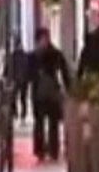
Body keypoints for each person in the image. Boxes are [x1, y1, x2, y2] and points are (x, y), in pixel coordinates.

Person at [29, 28, 71, 162]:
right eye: (42, 39)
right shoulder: (33, 56)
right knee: (39, 123)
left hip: (52, 93)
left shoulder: (55, 54)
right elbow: (28, 75)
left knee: (53, 122)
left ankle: (53, 149)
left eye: (46, 38)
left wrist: (68, 88)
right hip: (38, 93)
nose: (44, 41)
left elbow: (64, 72)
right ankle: (40, 150)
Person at [7, 35, 32, 122]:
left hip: (17, 80)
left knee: (15, 98)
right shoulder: (23, 55)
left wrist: (10, 79)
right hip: (21, 80)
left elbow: (11, 68)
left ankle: (17, 113)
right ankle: (21, 114)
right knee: (21, 98)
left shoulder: (14, 55)